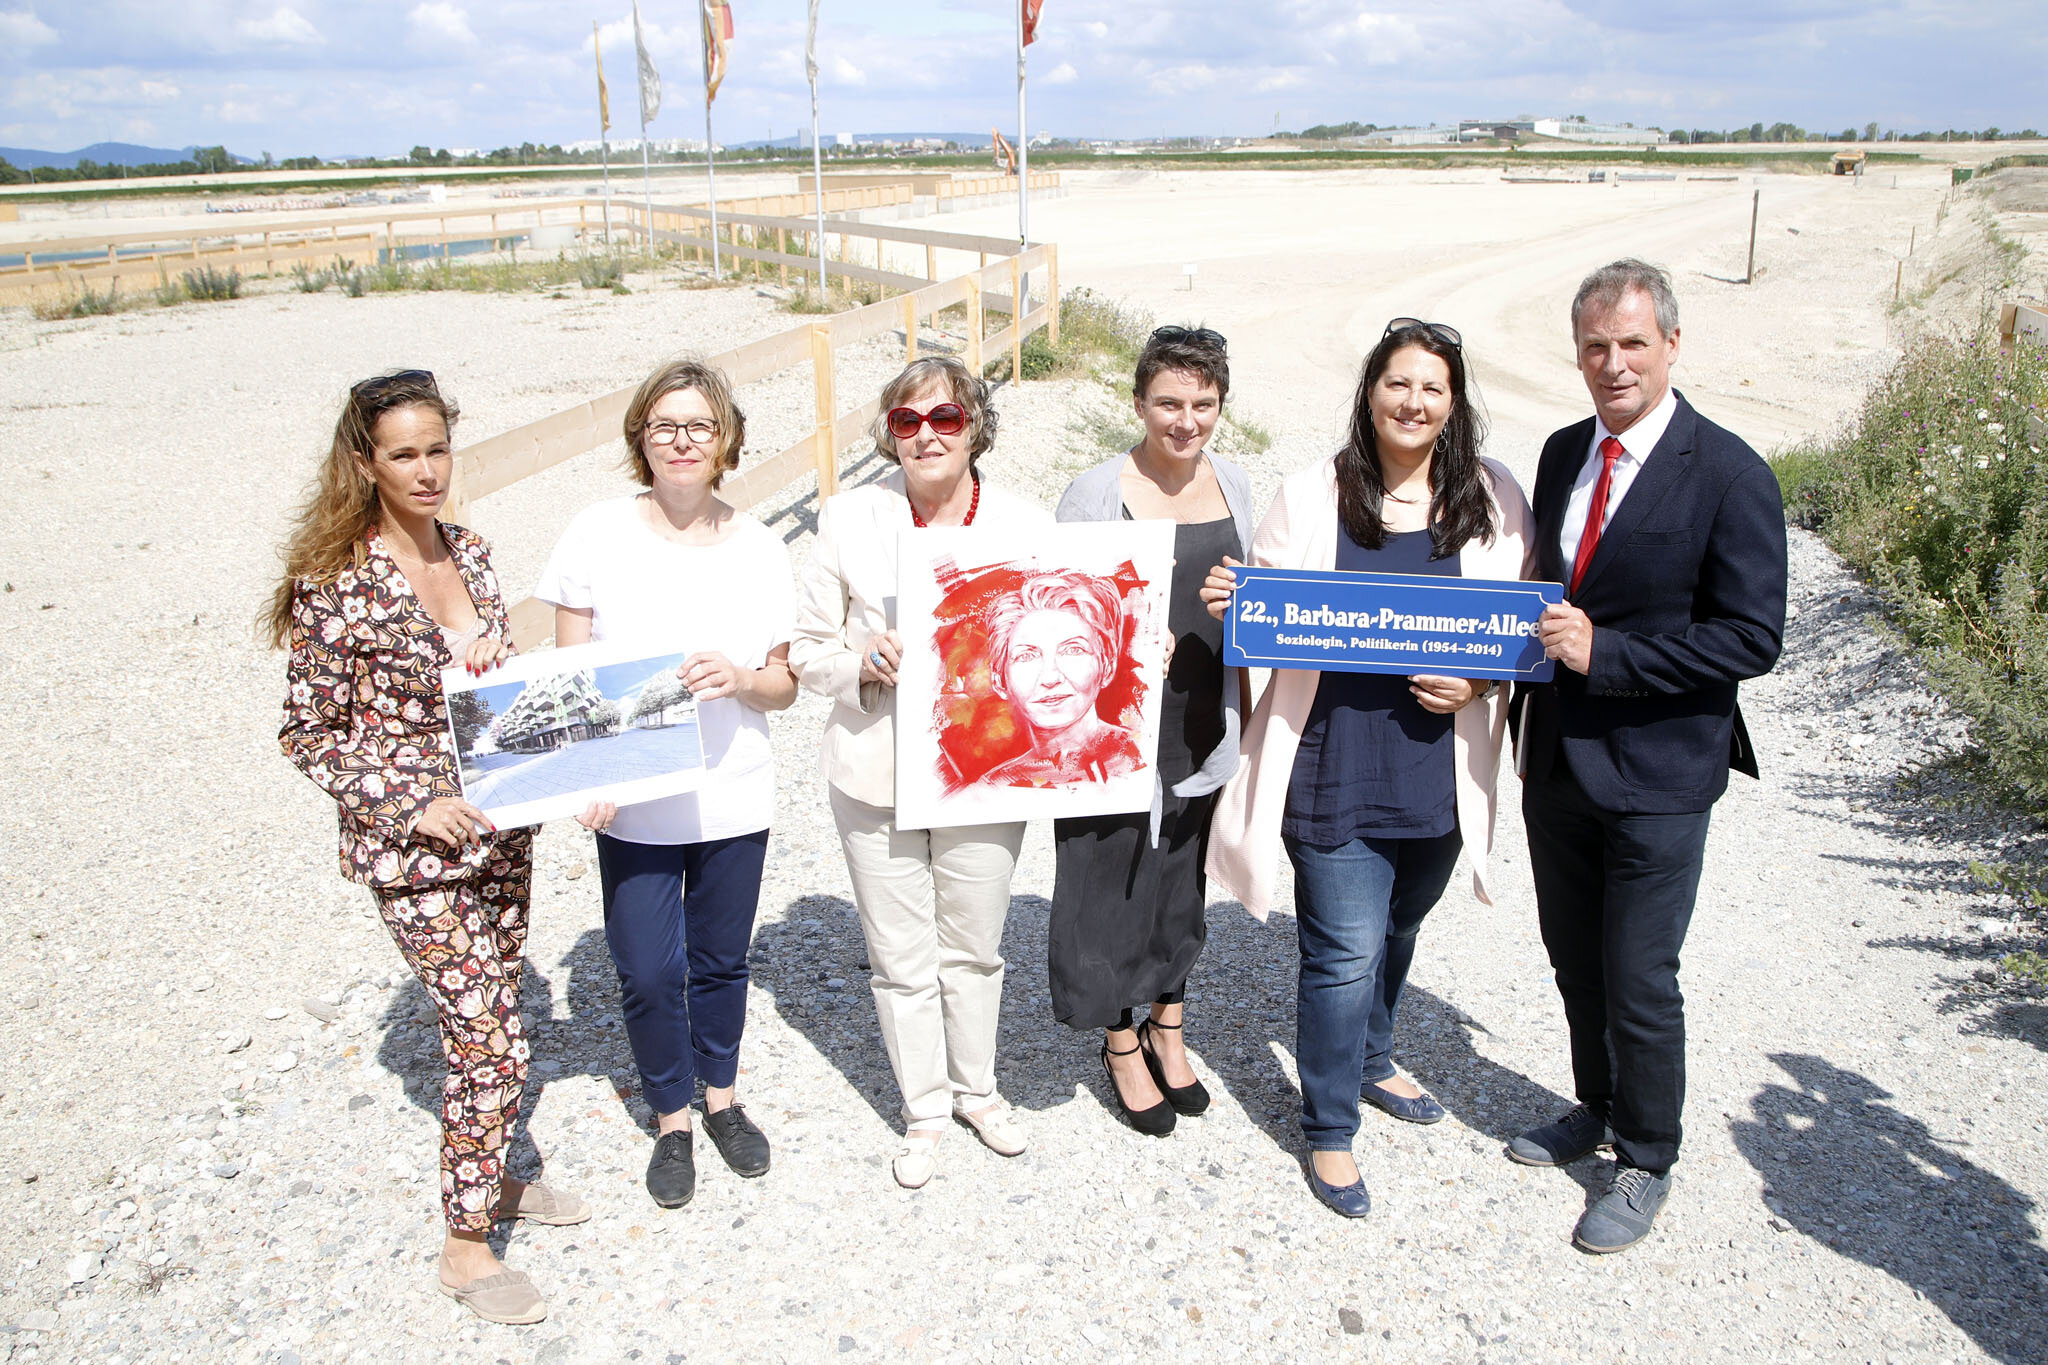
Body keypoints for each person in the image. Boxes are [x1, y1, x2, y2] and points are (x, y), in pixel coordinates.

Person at [272, 370, 586, 1327]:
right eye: (402, 453)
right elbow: (307, 731)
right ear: (363, 462)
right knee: (489, 1034)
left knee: (493, 1032)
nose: (425, 470)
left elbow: (476, 683)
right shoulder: (334, 584)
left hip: (502, 830)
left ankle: (490, 1180)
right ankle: (464, 1246)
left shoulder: (474, 552)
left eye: (437, 449)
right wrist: (411, 801)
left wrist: (502, 666)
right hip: (415, 854)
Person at [1202, 320, 1535, 1218]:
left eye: (1432, 387)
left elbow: (1519, 630)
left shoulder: (1495, 497)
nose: (1413, 402)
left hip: (1436, 763)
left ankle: (1376, 1054)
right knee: (1344, 950)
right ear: (1370, 391)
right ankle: (1330, 1127)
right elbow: (1265, 607)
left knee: (1400, 926)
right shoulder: (1315, 493)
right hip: (1332, 756)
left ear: (1453, 401)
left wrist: (1477, 677)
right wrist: (1236, 602)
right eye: (1398, 383)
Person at [1509, 260, 1787, 1253]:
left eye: (1630, 343)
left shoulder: (1728, 473)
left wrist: (1608, 654)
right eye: (1593, 346)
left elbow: (1752, 637)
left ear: (1670, 345)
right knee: (1573, 960)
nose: (1611, 363)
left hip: (1659, 775)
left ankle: (1645, 1156)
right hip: (1556, 766)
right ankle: (1591, 1106)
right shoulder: (1555, 454)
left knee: (1637, 974)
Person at [531, 358, 797, 1210]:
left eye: (700, 427)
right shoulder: (596, 534)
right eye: (664, 426)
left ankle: (720, 1097)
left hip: (733, 788)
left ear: (726, 441)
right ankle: (670, 1116)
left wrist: (742, 678)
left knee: (721, 960)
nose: (682, 441)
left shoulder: (761, 547)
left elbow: (783, 684)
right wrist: (583, 773)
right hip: (634, 799)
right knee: (648, 968)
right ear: (640, 438)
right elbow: (568, 674)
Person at [789, 356, 1052, 1188]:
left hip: (984, 769)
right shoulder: (847, 519)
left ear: (975, 424)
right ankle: (925, 1109)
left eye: (944, 418)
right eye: (907, 422)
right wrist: (859, 659)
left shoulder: (1024, 521)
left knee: (975, 944)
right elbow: (804, 648)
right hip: (875, 768)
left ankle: (978, 1089)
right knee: (900, 954)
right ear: (888, 434)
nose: (926, 435)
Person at [1049, 324, 1255, 1137]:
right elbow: (1055, 607)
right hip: (1115, 729)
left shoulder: (1235, 481)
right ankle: (1118, 1039)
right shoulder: (1095, 492)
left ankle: (1168, 1022)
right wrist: (1125, 644)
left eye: (1203, 403)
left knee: (1179, 885)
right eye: (1169, 402)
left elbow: (1265, 595)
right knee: (1106, 884)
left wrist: (1252, 601)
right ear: (1137, 403)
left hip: (1204, 717)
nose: (1186, 420)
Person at [980, 569, 1142, 788]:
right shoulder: (990, 788)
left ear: (1107, 665)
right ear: (999, 679)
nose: (1050, 677)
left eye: (1073, 650)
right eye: (1027, 655)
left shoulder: (1140, 759)